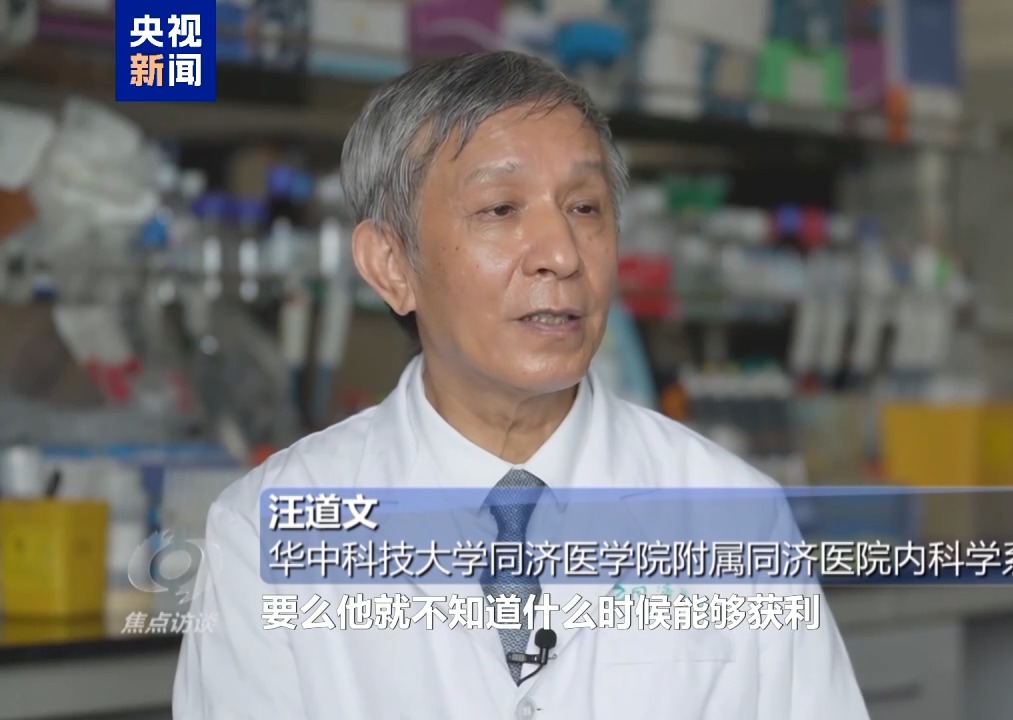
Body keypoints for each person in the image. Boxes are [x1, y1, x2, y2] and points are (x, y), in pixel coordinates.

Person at [173, 51, 870, 720]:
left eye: (585, 208)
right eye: (500, 209)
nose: (561, 255)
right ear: (391, 264)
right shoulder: (266, 531)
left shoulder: (735, 518)